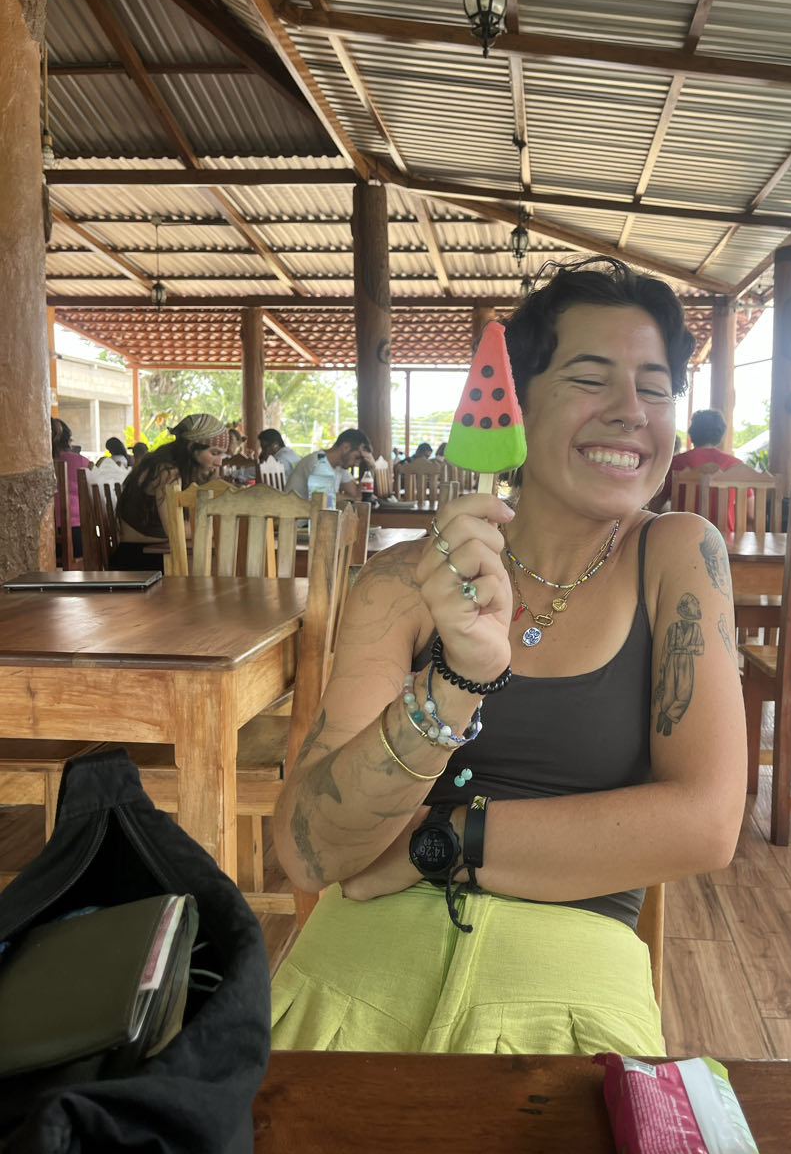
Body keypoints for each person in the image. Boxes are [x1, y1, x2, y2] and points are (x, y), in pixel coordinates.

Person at [270, 256, 747, 1057]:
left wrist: (442, 840)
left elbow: (705, 823)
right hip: (355, 973)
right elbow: (311, 849)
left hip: (569, 988)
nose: (631, 412)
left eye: (656, 388)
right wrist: (456, 683)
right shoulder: (402, 580)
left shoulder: (678, 555)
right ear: (516, 407)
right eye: (590, 379)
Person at [110, 413, 229, 570]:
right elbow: (175, 528)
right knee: (223, 566)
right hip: (138, 560)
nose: (219, 462)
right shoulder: (166, 471)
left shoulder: (181, 468)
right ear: (191, 447)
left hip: (160, 552)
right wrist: (224, 526)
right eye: (214, 453)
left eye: (222, 454)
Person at [651, 408, 744, 531]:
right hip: (725, 539)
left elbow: (655, 506)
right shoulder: (736, 465)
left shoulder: (676, 462)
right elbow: (750, 512)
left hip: (682, 535)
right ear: (720, 435)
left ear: (692, 432)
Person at [285, 428, 375, 503]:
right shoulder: (317, 462)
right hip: (296, 517)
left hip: (314, 515)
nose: (357, 464)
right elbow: (324, 499)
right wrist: (354, 498)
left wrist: (371, 468)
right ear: (346, 447)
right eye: (357, 457)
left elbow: (357, 494)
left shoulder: (340, 467)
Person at [51, 418, 91, 561]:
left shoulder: (39, 464)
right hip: (77, 535)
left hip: (45, 536)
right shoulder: (81, 462)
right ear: (68, 440)